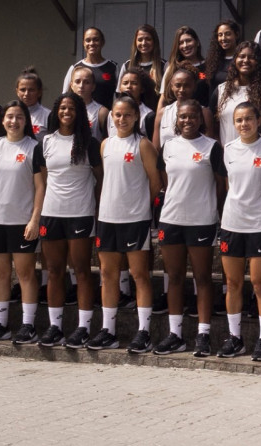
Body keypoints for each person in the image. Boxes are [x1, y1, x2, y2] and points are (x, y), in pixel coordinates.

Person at [154, 99, 226, 357]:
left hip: (201, 221)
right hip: (171, 219)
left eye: (192, 117)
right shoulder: (168, 146)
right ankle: (175, 335)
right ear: (177, 119)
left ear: (201, 119)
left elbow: (220, 185)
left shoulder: (212, 147)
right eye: (183, 117)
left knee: (203, 278)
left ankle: (203, 335)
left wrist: (210, 210)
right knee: (173, 277)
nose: (187, 121)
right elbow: (165, 181)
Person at [0, 100, 46, 344]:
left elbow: (40, 187)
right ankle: (0, 324)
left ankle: (28, 326)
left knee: (25, 274)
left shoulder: (34, 147)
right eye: (9, 117)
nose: (14, 121)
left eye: (19, 117)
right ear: (2, 121)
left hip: (22, 222)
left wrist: (35, 220)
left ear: (26, 121)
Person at [95, 94, 161, 354]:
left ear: (136, 117)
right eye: (118, 114)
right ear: (112, 116)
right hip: (107, 218)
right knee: (108, 274)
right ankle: (108, 331)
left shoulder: (143, 145)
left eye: (127, 115)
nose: (122, 119)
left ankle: (143, 331)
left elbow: (155, 182)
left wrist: (140, 207)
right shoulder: (105, 145)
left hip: (135, 219)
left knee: (139, 275)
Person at [36, 92, 102, 349]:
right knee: (53, 271)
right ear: (56, 112)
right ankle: (55, 326)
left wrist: (96, 211)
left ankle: (83, 328)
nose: (66, 112)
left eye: (71, 109)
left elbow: (100, 179)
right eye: (62, 108)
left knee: (82, 271)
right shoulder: (46, 141)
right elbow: (42, 180)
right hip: (52, 214)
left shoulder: (90, 143)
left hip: (80, 214)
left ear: (79, 114)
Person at [216, 102, 261, 361]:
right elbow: (228, 186)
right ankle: (235, 338)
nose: (244, 124)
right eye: (239, 120)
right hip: (232, 224)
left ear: (258, 120)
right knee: (232, 283)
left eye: (248, 119)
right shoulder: (228, 150)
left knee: (260, 283)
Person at [212, 41, 261, 145]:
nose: (246, 60)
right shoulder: (221, 90)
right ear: (235, 60)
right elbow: (213, 126)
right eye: (242, 56)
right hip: (228, 156)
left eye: (251, 57)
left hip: (256, 156)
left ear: (258, 62)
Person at [154, 66, 214, 151]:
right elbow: (156, 148)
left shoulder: (204, 113)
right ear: (172, 86)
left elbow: (209, 145)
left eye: (186, 86)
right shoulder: (162, 113)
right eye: (178, 85)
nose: (181, 90)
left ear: (194, 87)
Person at [62, 27, 119, 108]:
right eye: (88, 40)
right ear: (84, 43)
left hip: (104, 118)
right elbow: (65, 96)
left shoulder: (113, 67)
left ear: (102, 42)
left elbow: (120, 97)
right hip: (80, 118)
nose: (92, 43)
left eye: (96, 39)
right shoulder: (75, 68)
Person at [162, 26, 210, 106]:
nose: (185, 45)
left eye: (188, 41)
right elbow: (163, 98)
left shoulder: (209, 66)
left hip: (202, 115)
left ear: (197, 42)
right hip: (178, 116)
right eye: (181, 43)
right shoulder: (172, 67)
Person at [120, 24, 165, 107]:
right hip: (131, 116)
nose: (144, 43)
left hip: (154, 116)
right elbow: (119, 95)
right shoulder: (127, 65)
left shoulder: (164, 66)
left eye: (148, 39)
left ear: (154, 41)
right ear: (135, 42)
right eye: (140, 40)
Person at [110, 69, 156, 138]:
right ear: (119, 88)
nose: (129, 87)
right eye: (125, 83)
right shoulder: (111, 113)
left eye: (134, 83)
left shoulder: (148, 115)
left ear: (142, 89)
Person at [68, 66, 109, 141]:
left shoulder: (101, 112)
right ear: (71, 85)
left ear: (93, 86)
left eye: (86, 82)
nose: (81, 86)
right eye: (77, 81)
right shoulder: (64, 110)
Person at [203, 20, 241, 92]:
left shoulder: (242, 60)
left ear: (236, 35)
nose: (223, 38)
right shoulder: (213, 60)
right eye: (220, 35)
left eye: (228, 34)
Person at [15, 67, 50, 141]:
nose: (26, 94)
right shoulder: (10, 115)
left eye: (31, 90)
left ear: (39, 92)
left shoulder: (48, 115)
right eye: (22, 90)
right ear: (17, 91)